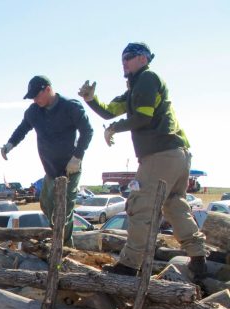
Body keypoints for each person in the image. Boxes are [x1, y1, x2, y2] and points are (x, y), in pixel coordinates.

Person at [79, 42, 207, 278]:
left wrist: (114, 129)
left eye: (129, 57)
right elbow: (109, 111)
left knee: (140, 207)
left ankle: (129, 265)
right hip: (177, 153)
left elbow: (143, 118)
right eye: (123, 57)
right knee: (174, 204)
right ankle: (198, 257)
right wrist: (91, 100)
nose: (124, 61)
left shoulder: (147, 79)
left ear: (143, 59)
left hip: (160, 155)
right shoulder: (135, 88)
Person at [0, 75, 93, 246]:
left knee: (63, 209)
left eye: (37, 95)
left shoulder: (70, 107)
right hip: (51, 170)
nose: (35, 100)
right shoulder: (34, 111)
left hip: (70, 168)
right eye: (32, 97)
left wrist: (77, 157)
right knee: (47, 205)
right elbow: (22, 129)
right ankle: (61, 237)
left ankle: (63, 246)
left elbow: (87, 131)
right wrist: (9, 144)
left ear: (48, 89)